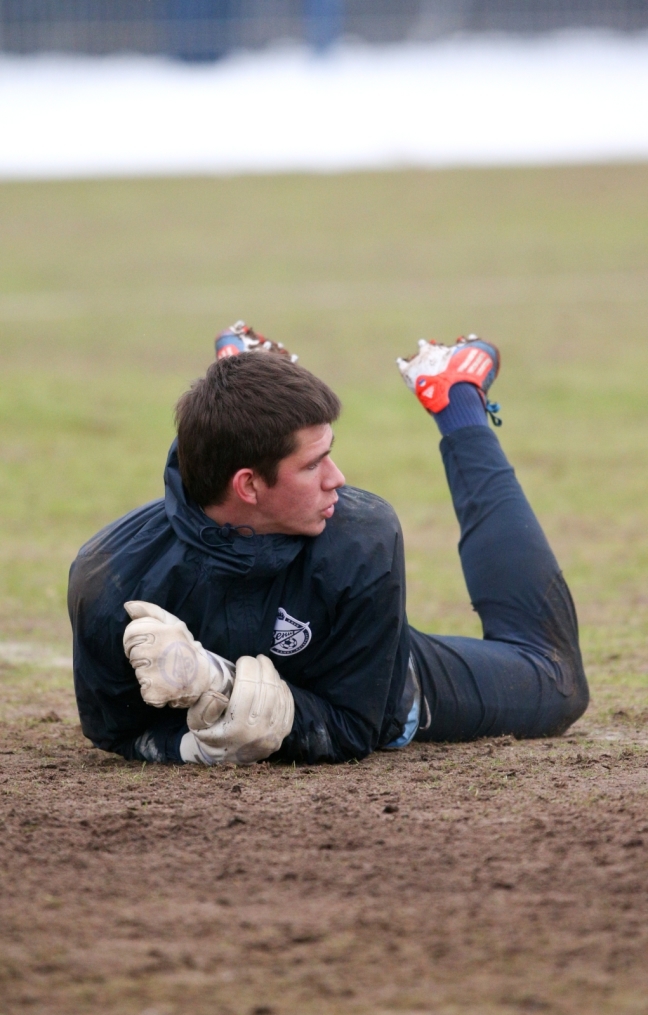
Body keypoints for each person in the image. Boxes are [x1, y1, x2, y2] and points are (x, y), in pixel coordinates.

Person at [68, 324, 589, 766]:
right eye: (314, 463)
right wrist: (191, 747)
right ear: (248, 485)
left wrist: (219, 683)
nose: (338, 479)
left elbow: (357, 726)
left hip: (380, 678)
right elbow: (113, 731)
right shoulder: (110, 578)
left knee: (556, 680)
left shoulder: (360, 536)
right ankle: (245, 378)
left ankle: (459, 399)